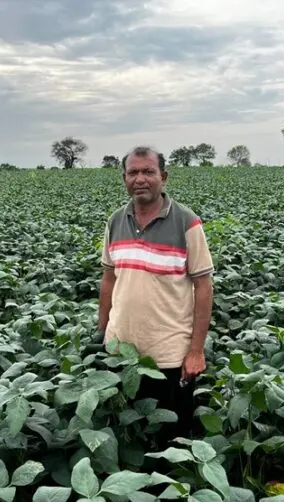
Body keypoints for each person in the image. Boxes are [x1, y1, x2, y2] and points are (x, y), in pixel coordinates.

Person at [95, 145, 214, 447]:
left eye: (148, 171)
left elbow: (203, 287)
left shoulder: (187, 222)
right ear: (124, 178)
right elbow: (109, 279)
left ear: (164, 177)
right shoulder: (115, 222)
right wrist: (102, 331)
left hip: (169, 357)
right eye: (133, 172)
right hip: (121, 353)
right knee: (127, 439)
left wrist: (196, 351)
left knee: (172, 446)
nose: (140, 178)